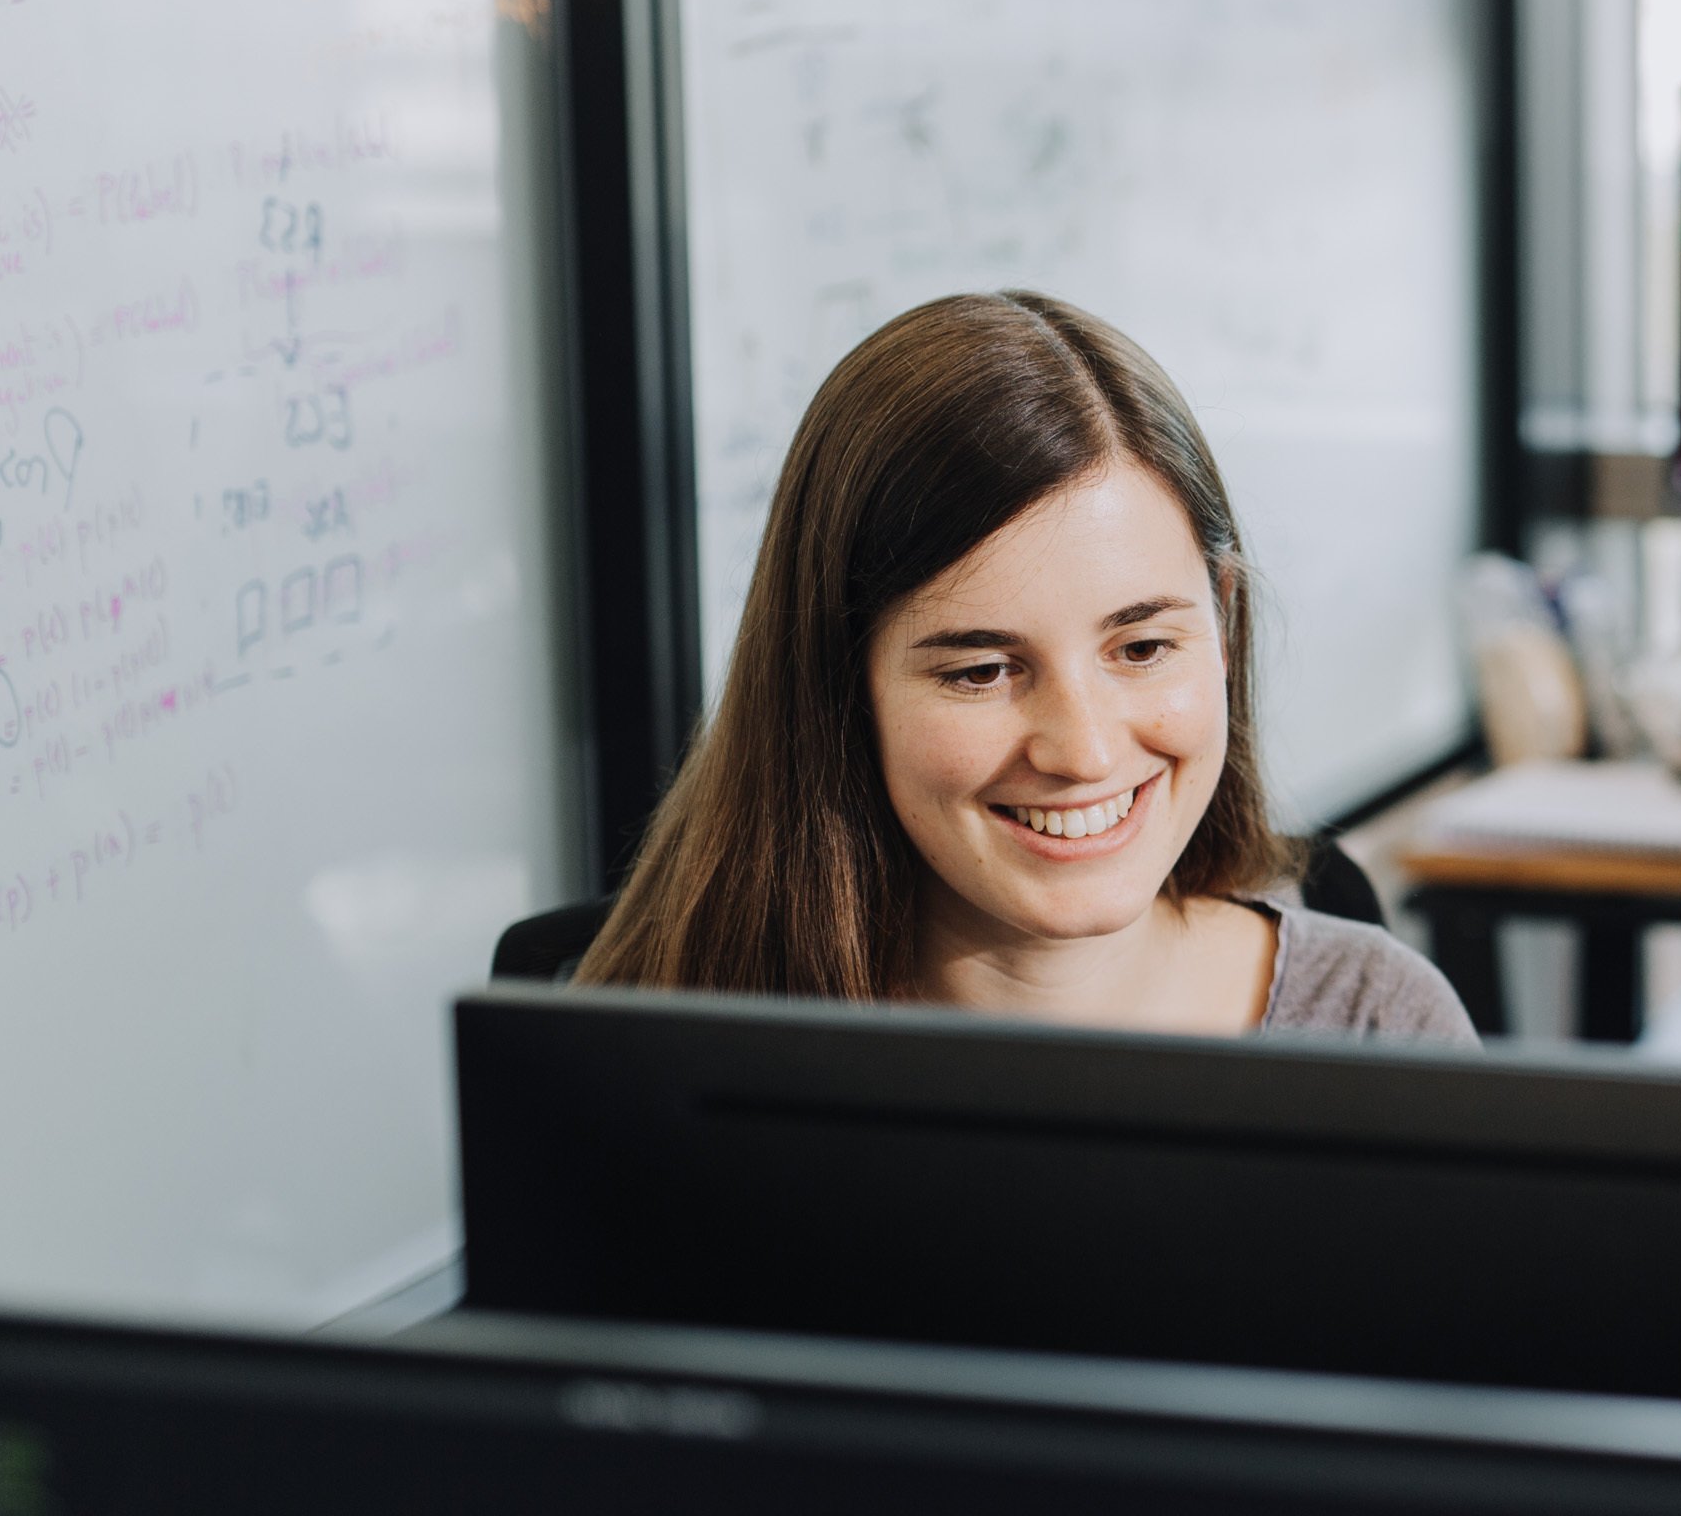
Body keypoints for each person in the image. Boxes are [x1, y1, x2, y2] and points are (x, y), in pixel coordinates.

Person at [567, 289, 1471, 1044]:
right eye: (981, 671)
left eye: (1143, 648)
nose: (1081, 752)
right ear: (842, 687)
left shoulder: (1379, 1026)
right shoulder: (649, 1047)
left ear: (1224, 625)